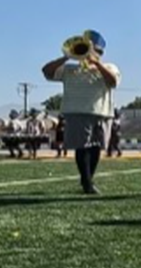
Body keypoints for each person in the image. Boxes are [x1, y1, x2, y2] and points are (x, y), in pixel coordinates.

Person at [42, 31, 120, 194]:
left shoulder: (109, 67)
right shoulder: (69, 69)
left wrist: (97, 64)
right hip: (77, 111)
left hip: (102, 113)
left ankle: (87, 179)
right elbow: (46, 71)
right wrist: (66, 57)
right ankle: (87, 182)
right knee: (82, 147)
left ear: (99, 52)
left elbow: (113, 82)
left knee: (96, 147)